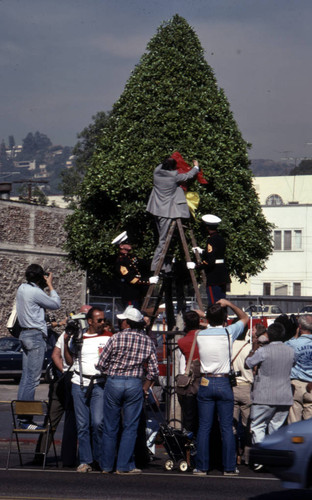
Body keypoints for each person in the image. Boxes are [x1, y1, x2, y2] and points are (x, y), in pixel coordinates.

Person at [97, 305, 159, 474]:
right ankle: (124, 465)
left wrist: (111, 371)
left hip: (114, 381)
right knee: (130, 427)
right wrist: (145, 388)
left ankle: (107, 465)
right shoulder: (147, 340)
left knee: (111, 426)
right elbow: (154, 371)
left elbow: (101, 364)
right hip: (134, 383)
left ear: (127, 322)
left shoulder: (115, 338)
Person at [194, 298, 249, 476]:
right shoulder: (228, 332)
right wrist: (229, 304)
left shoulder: (200, 334)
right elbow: (245, 318)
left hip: (206, 381)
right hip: (224, 381)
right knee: (226, 427)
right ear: (225, 318)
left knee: (204, 427)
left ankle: (201, 467)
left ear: (207, 320)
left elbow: (205, 322)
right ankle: (229, 467)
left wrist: (206, 315)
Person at [64, 306, 112, 473]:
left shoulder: (108, 337)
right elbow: (70, 361)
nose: (103, 323)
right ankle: (85, 460)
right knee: (82, 425)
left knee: (98, 422)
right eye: (99, 320)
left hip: (99, 384)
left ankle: (99, 457)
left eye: (104, 319)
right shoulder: (79, 337)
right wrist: (65, 342)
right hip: (79, 383)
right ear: (90, 321)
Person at [16, 263, 61, 429]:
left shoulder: (22, 288)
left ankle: (21, 418)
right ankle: (25, 421)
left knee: (25, 378)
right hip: (35, 336)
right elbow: (56, 304)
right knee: (33, 380)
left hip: (24, 334)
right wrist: (49, 284)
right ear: (40, 277)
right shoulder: (35, 292)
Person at [245, 323, 296, 465]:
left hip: (264, 395)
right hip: (284, 395)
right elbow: (294, 364)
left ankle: (262, 459)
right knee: (277, 428)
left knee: (258, 426)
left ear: (268, 335)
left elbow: (247, 363)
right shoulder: (290, 351)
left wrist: (255, 346)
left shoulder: (263, 351)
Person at [146, 157, 200, 273]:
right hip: (166, 212)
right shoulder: (174, 177)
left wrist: (168, 160)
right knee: (163, 240)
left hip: (156, 209)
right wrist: (196, 166)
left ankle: (164, 265)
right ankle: (156, 265)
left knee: (162, 237)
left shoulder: (156, 172)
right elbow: (188, 175)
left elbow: (161, 165)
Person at [112, 231, 158, 309]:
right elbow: (131, 279)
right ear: (121, 246)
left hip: (138, 294)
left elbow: (145, 263)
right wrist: (148, 281)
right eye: (127, 242)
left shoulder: (131, 257)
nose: (130, 244)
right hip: (130, 296)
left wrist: (161, 262)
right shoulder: (121, 262)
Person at [194, 214, 231, 306]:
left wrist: (197, 266)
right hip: (222, 273)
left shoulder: (211, 240)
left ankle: (216, 320)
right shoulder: (220, 238)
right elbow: (216, 253)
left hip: (214, 275)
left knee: (214, 303)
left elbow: (210, 261)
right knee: (222, 302)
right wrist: (203, 251)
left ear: (207, 227)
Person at [177, 310, 201, 436]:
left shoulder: (182, 342)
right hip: (205, 380)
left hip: (190, 385)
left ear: (185, 323)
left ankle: (190, 449)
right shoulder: (205, 337)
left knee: (189, 419)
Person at [286, 314, 312, 423]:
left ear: (300, 327)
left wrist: (294, 336)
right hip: (311, 384)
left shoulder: (292, 344)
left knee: (294, 423)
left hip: (296, 384)